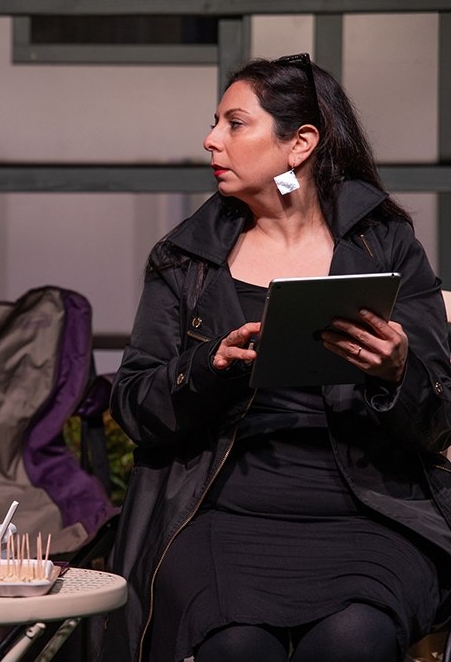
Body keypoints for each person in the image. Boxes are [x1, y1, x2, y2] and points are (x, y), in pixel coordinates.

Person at [105, 54, 451, 662]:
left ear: (300, 144)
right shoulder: (185, 259)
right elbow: (134, 406)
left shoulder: (385, 245)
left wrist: (398, 373)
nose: (211, 139)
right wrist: (206, 368)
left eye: (235, 123)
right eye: (215, 122)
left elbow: (440, 416)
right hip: (220, 517)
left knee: (353, 639)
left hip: (369, 516)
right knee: (236, 644)